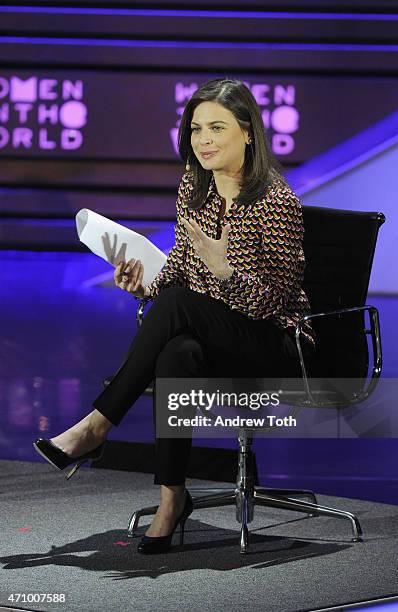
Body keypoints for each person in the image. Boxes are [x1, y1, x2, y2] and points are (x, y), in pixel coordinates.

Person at [33, 78, 316, 555]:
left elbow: (276, 302)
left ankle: (96, 427)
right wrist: (146, 287)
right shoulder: (195, 186)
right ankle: (171, 498)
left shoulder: (277, 203)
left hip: (275, 340)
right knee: (176, 350)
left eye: (217, 128)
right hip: (209, 329)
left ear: (248, 132)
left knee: (180, 308)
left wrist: (224, 272)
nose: (203, 140)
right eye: (196, 129)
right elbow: (183, 268)